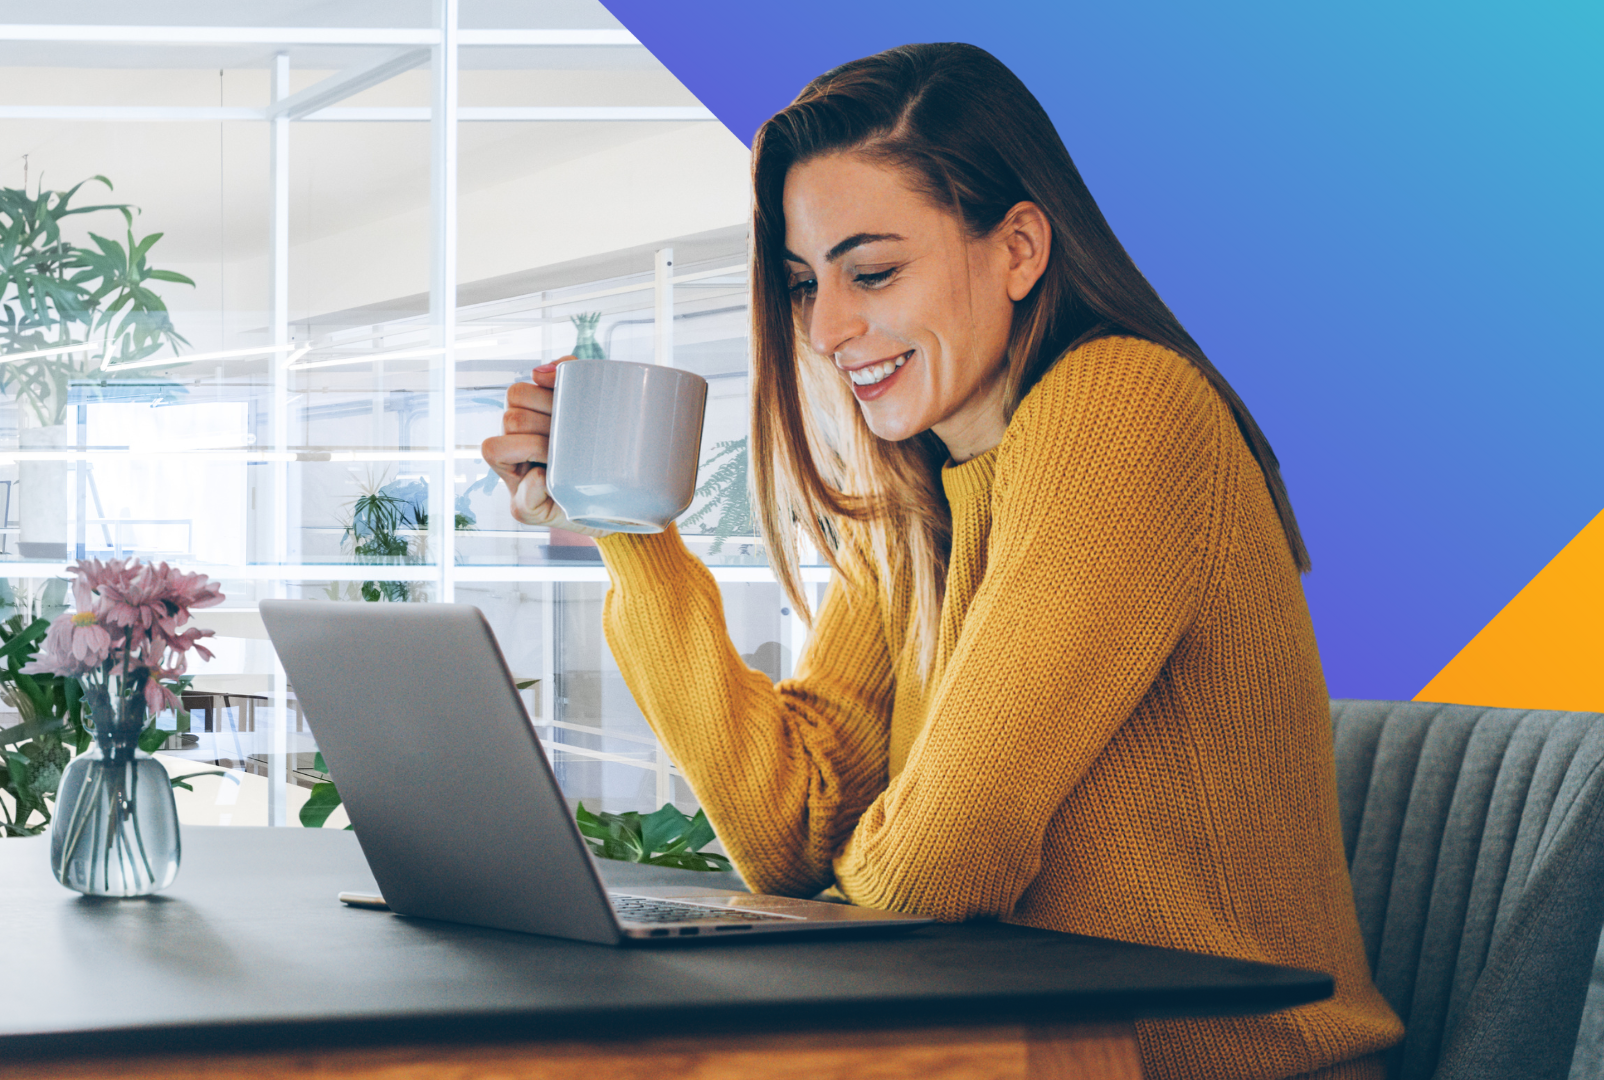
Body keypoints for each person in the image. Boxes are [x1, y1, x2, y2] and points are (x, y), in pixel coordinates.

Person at [482, 43, 1402, 1080]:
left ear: (1018, 248)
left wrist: (819, 914)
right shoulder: (920, 493)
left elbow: (943, 856)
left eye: (872, 271)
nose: (827, 329)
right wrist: (626, 524)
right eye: (801, 285)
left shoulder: (1124, 406)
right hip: (1019, 1050)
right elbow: (789, 830)